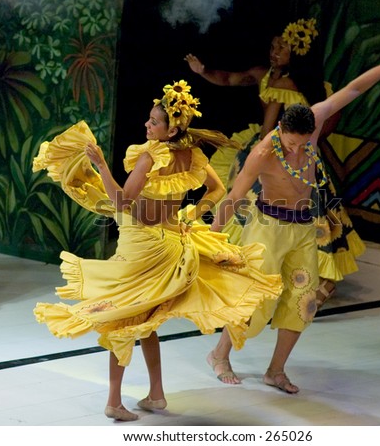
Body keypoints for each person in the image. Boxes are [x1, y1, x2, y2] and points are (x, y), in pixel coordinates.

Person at [32, 80, 282, 420]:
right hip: (169, 242)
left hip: (141, 243)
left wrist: (102, 167)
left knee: (123, 318)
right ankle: (156, 394)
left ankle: (115, 402)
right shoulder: (192, 154)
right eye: (149, 120)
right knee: (146, 320)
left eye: (154, 122)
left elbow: (121, 201)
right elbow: (218, 187)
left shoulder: (149, 156)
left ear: (172, 127)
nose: (147, 125)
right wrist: (193, 212)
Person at [206, 44, 380, 391]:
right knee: (255, 299)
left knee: (303, 301)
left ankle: (275, 371)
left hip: (303, 228)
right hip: (267, 230)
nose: (297, 150)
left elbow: (354, 88)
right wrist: (210, 240)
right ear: (281, 128)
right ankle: (220, 354)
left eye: (303, 143)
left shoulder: (315, 117)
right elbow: (234, 197)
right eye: (291, 143)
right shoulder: (263, 152)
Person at [185, 18, 364, 309]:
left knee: (255, 210)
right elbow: (230, 78)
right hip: (301, 155)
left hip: (275, 151)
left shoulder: (286, 85)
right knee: (306, 217)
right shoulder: (270, 76)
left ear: (298, 54)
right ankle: (294, 277)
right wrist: (202, 71)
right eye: (274, 46)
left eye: (282, 48)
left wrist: (258, 156)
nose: (275, 51)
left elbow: (272, 131)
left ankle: (247, 270)